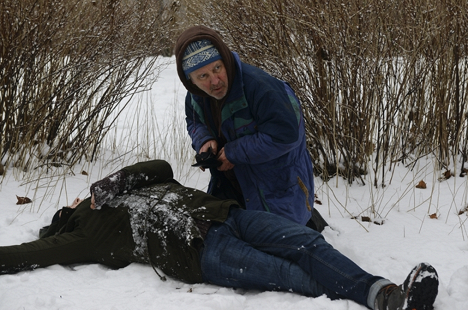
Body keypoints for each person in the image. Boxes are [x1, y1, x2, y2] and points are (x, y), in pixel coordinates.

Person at [1, 160, 438, 310]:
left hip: (227, 215)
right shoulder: (85, 234)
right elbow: (29, 252)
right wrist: (79, 213)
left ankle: (383, 293)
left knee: (307, 243)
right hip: (199, 252)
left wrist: (109, 184)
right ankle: (385, 301)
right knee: (291, 274)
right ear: (67, 217)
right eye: (73, 204)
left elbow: (162, 169)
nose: (79, 199)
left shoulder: (122, 186)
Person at [175, 26, 327, 230]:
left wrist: (233, 153)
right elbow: (194, 121)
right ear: (190, 80)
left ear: (225, 59)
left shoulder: (262, 87)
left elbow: (287, 136)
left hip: (278, 187)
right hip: (234, 184)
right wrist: (204, 141)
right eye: (202, 76)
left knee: (284, 244)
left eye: (217, 68)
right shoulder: (195, 96)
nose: (214, 81)